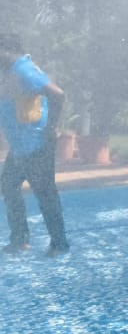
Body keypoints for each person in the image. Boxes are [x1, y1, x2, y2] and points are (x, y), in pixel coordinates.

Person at [0, 34, 69, 258]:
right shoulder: (10, 71)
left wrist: (52, 128)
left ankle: (59, 244)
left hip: (36, 145)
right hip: (20, 147)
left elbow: (57, 94)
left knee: (45, 193)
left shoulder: (24, 70)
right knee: (9, 186)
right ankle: (20, 239)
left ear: (7, 49)